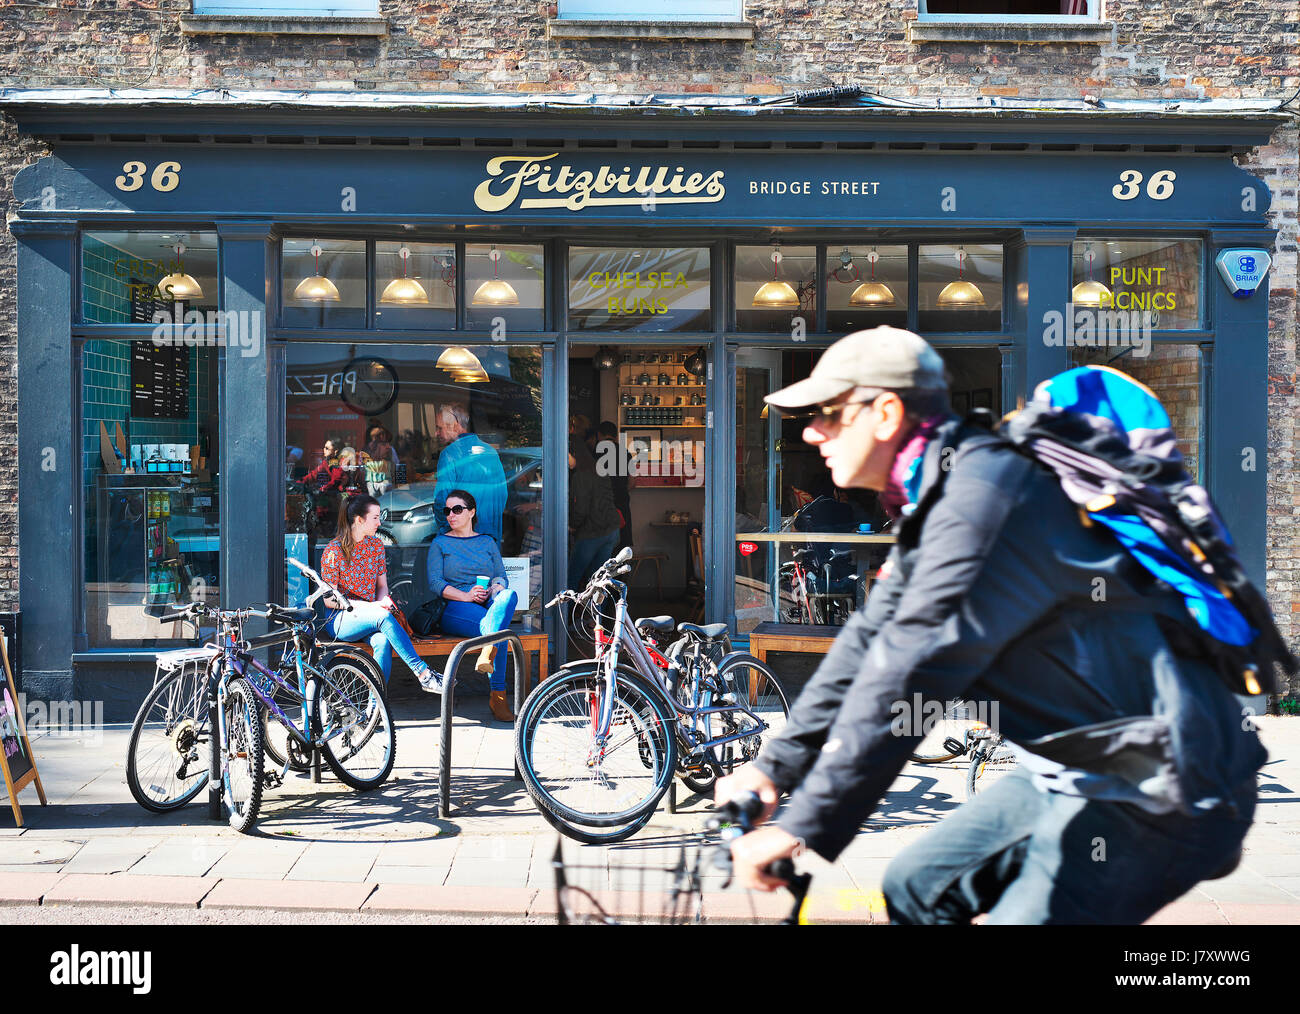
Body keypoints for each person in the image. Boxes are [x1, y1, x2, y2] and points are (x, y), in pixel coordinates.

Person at [717, 325, 1267, 925]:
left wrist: (803, 822)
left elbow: (910, 674)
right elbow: (865, 646)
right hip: (1073, 770)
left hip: (1163, 785)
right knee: (914, 886)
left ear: (886, 413)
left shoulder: (983, 500)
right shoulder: (944, 499)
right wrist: (775, 769)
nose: (811, 431)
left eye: (828, 413)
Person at [320, 494, 444, 694]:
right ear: (359, 520)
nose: (380, 522)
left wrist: (382, 600)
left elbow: (382, 586)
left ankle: (375, 706)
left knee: (383, 641)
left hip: (372, 616)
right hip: (341, 619)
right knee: (382, 616)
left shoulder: (376, 546)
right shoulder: (333, 551)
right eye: (375, 517)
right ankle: (423, 674)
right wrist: (374, 608)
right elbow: (329, 600)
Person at [427, 489, 520, 723]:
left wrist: (494, 590)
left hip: (488, 600)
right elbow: (435, 583)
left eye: (457, 509)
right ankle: (498, 696)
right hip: (455, 606)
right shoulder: (440, 543)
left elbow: (500, 576)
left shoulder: (487, 541)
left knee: (509, 595)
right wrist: (466, 596)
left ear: (471, 512)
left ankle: (488, 649)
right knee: (499, 631)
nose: (451, 515)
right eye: (447, 510)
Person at [432, 402, 507, 545]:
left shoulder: (449, 454)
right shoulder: (490, 452)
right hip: (490, 539)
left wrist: (445, 530)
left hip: (461, 541)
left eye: (439, 428)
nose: (436, 433)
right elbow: (502, 496)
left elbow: (442, 500)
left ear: (454, 425)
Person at [567, 437, 621, 592]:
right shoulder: (599, 469)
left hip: (591, 532)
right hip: (610, 529)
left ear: (575, 454)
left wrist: (572, 525)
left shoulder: (580, 476)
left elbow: (581, 509)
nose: (565, 460)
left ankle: (565, 614)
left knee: (572, 576)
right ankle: (596, 616)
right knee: (599, 579)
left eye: (567, 455)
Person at [596, 420, 634, 550]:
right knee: (621, 548)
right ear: (616, 436)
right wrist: (621, 489)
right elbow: (633, 481)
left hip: (601, 506)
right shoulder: (625, 453)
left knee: (602, 550)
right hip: (621, 503)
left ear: (599, 435)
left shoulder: (596, 452)